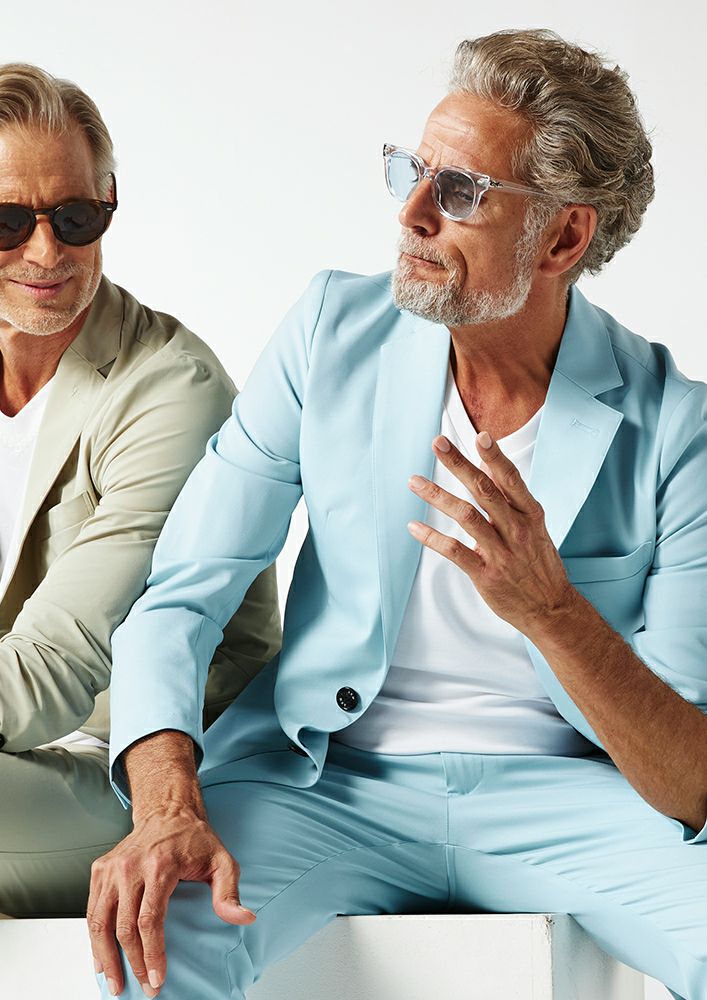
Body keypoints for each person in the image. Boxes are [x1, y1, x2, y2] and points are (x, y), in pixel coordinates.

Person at [91, 29, 707, 1000]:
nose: (411, 214)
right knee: (153, 941)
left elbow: (687, 780)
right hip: (328, 783)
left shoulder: (673, 423)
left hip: (571, 797)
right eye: (411, 171)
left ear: (562, 238)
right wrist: (165, 803)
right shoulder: (331, 333)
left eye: (458, 192)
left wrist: (552, 611)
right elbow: (181, 596)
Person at [0, 64, 280, 918]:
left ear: (109, 204)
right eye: (6, 221)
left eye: (74, 218)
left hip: (144, 777)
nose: (46, 253)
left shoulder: (171, 389)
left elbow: (57, 662)